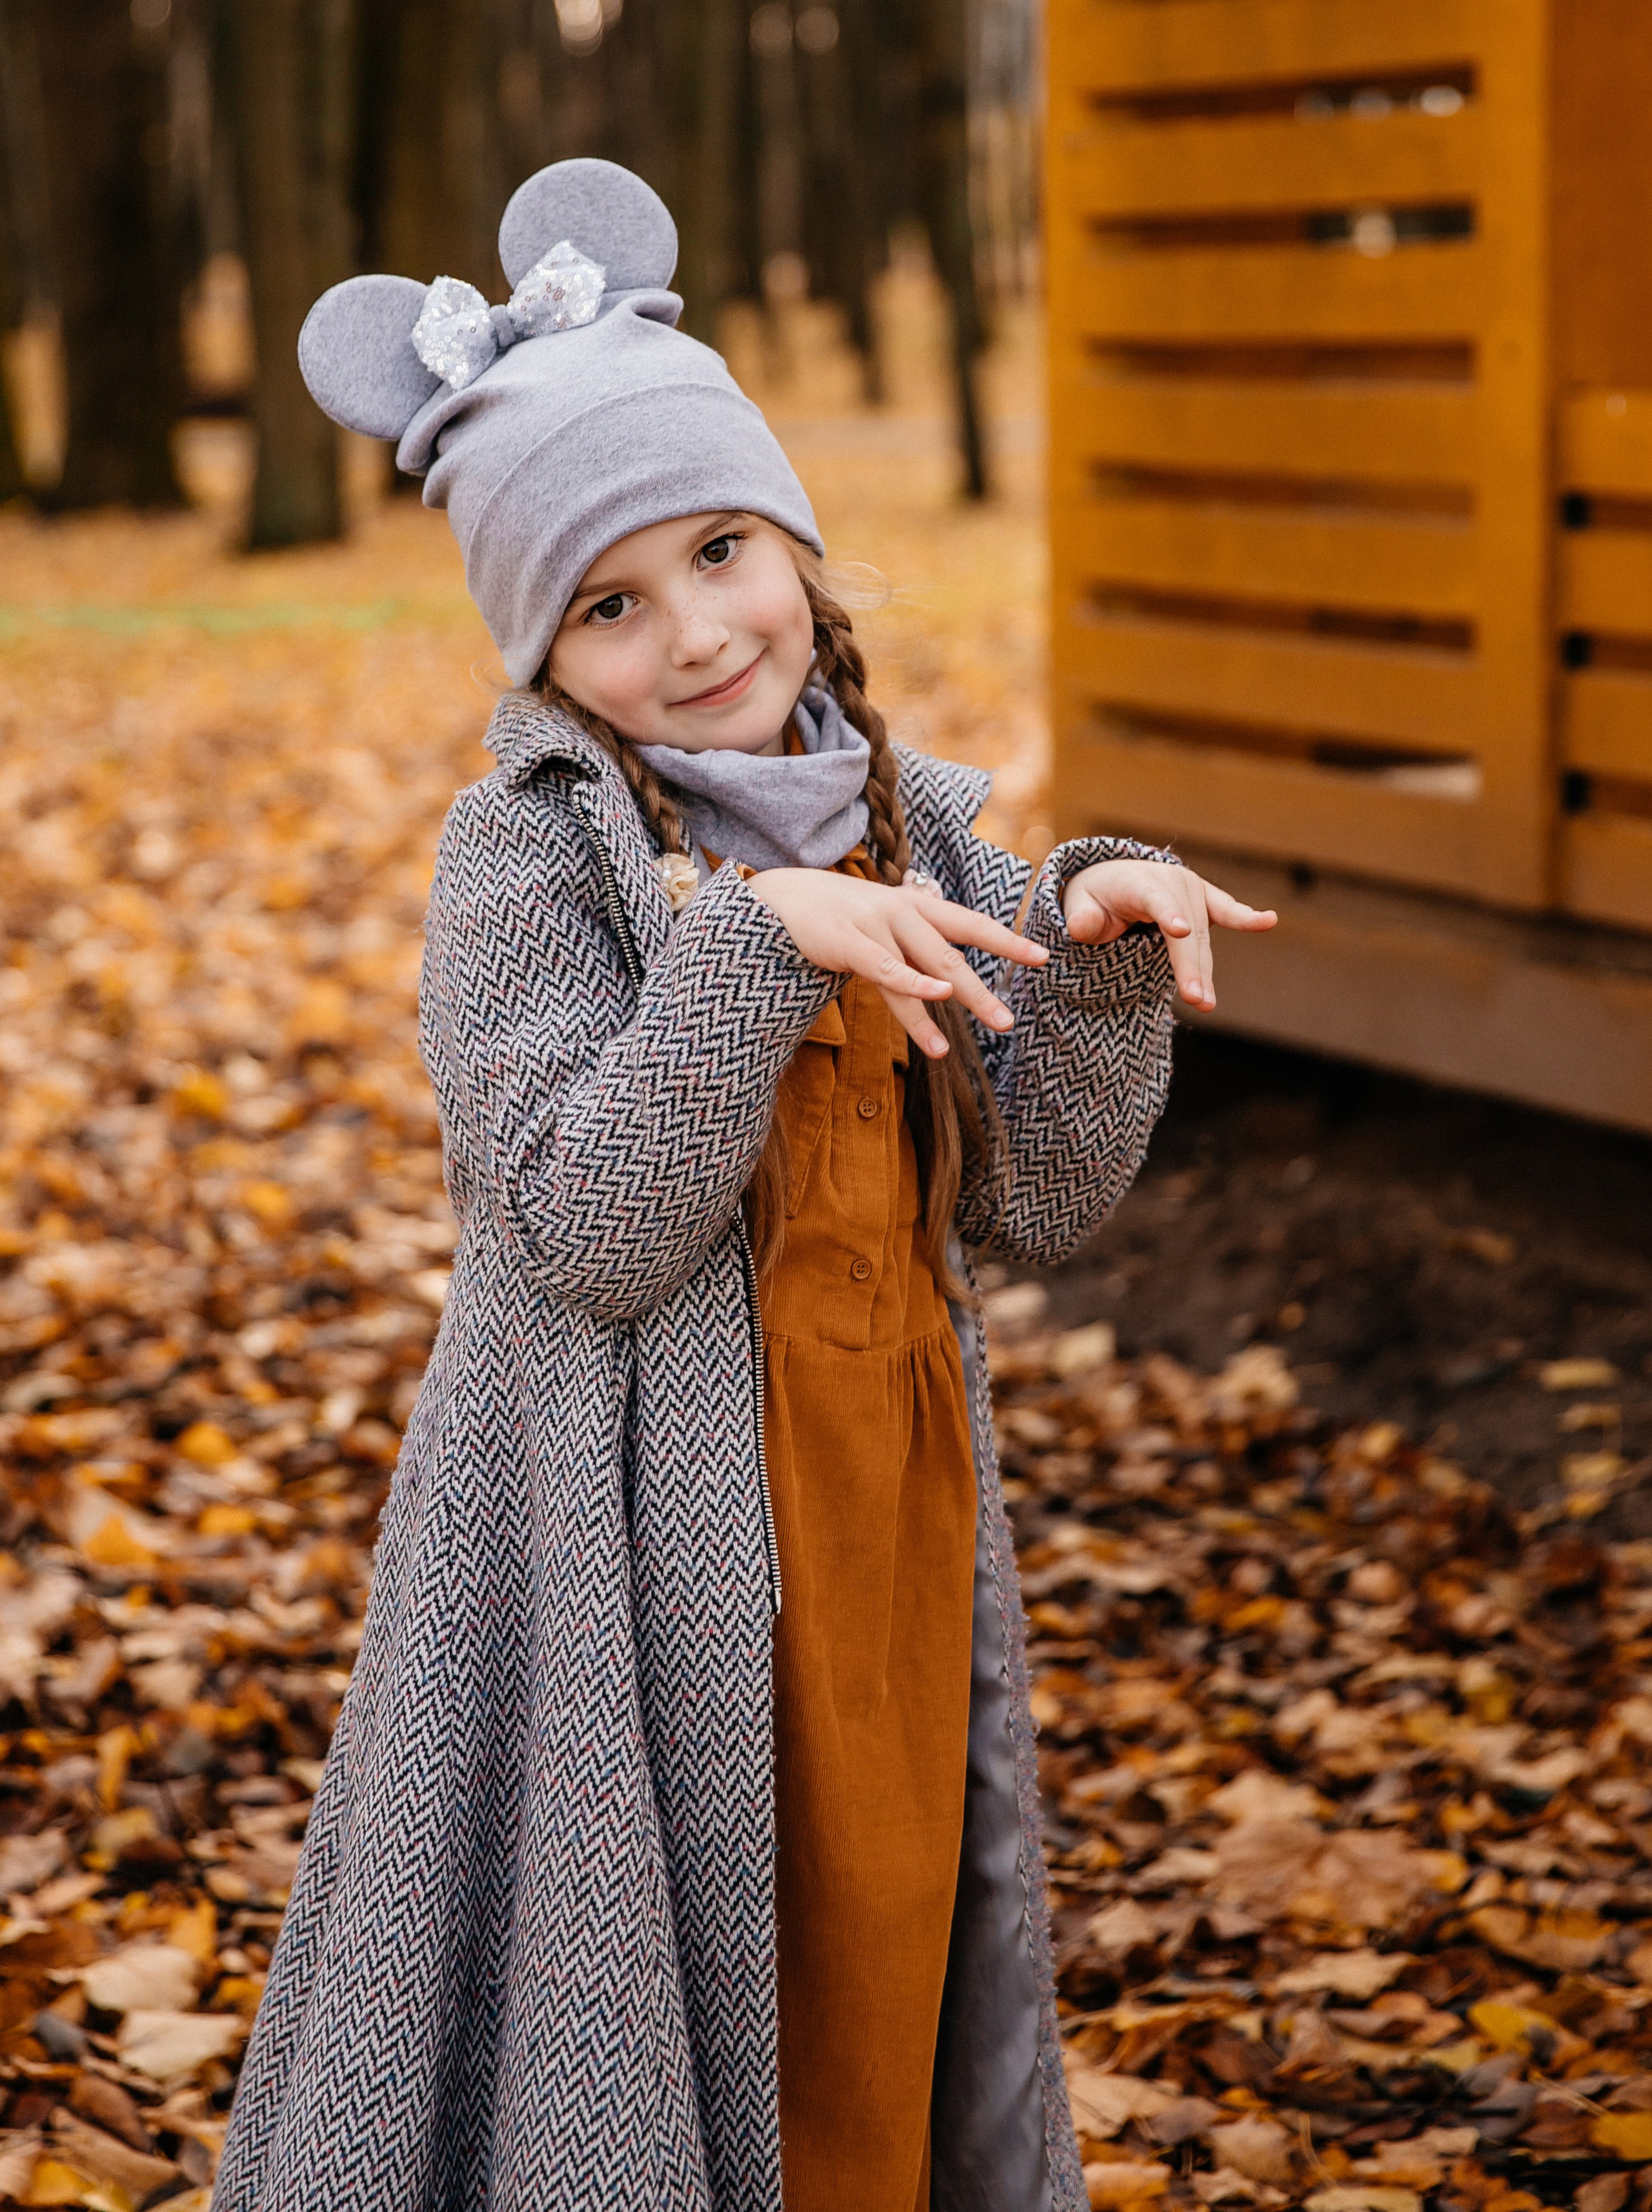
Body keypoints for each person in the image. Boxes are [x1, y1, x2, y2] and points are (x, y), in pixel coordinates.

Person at [212, 159, 1274, 2212]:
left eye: (719, 551)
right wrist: (751, 948)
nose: (698, 632)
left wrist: (1095, 954)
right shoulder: (529, 861)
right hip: (634, 1554)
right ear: (544, 653)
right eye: (610, 603)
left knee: (875, 1966)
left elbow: (1037, 1200)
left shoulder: (907, 826)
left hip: (883, 1514)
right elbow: (579, 1228)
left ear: (791, 539)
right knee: (679, 1984)